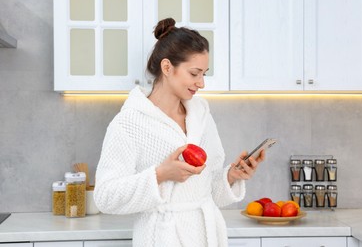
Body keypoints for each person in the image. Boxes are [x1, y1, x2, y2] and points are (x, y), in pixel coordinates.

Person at [94, 18, 266, 247]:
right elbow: (105, 197)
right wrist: (160, 174)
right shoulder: (128, 123)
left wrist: (232, 176)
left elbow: (210, 189)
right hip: (162, 237)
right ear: (167, 68)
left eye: (204, 73)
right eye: (194, 73)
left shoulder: (201, 116)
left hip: (205, 235)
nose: (202, 83)